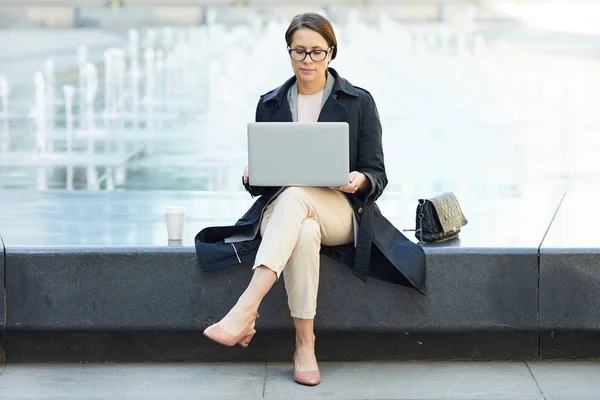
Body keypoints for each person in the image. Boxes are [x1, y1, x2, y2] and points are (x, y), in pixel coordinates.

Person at [195, 13, 426, 386]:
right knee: (300, 226)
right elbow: (264, 182)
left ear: (331, 53)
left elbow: (377, 173)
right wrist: (251, 175)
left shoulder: (358, 101)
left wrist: (360, 179)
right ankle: (305, 344)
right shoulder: (270, 104)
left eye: (317, 52)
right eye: (299, 51)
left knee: (300, 197)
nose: (307, 60)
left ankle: (245, 309)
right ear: (288, 53)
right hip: (285, 211)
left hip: (341, 211)